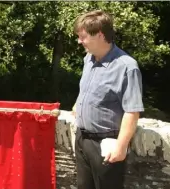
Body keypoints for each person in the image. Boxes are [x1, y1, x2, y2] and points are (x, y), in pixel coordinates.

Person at [72, 10, 144, 189]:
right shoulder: (88, 59)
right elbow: (88, 90)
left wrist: (121, 146)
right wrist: (78, 105)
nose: (79, 41)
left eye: (83, 37)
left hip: (105, 144)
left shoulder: (126, 67)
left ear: (100, 35)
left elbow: (132, 111)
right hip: (82, 139)